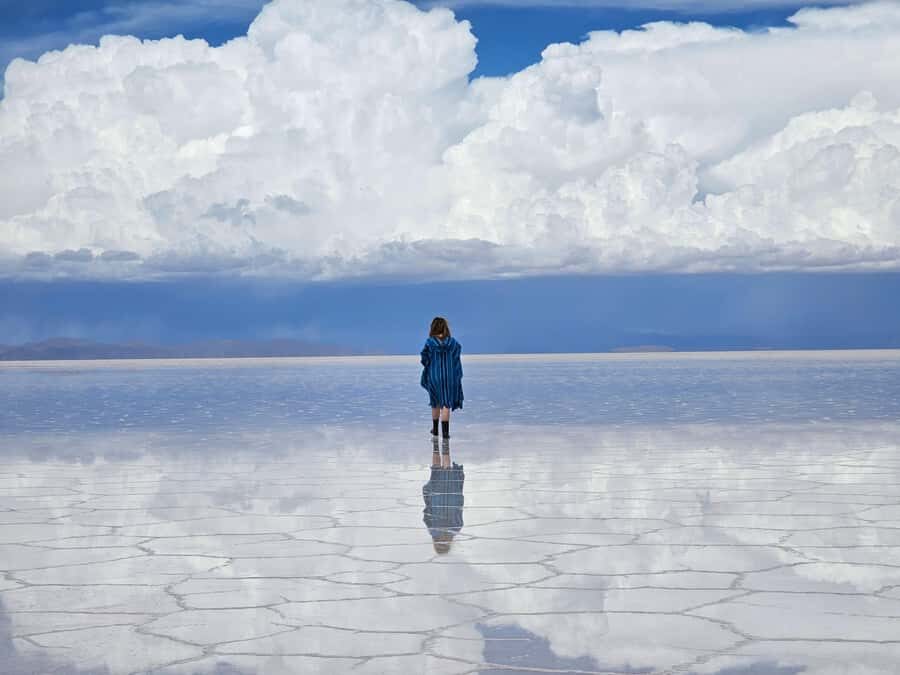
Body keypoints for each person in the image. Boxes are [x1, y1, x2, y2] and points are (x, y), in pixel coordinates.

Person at [420, 316, 463, 439]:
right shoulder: (453, 343)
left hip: (434, 376)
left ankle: (435, 429)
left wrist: (429, 364)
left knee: (435, 403)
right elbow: (456, 359)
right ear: (445, 328)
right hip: (449, 377)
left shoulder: (429, 342)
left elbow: (424, 358)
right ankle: (445, 433)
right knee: (446, 404)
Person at [423, 437, 464, 555]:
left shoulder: (454, 530)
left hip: (450, 498)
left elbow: (459, 514)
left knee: (444, 471)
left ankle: (443, 446)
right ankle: (439, 446)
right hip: (439, 499)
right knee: (437, 471)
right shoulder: (433, 531)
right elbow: (426, 515)